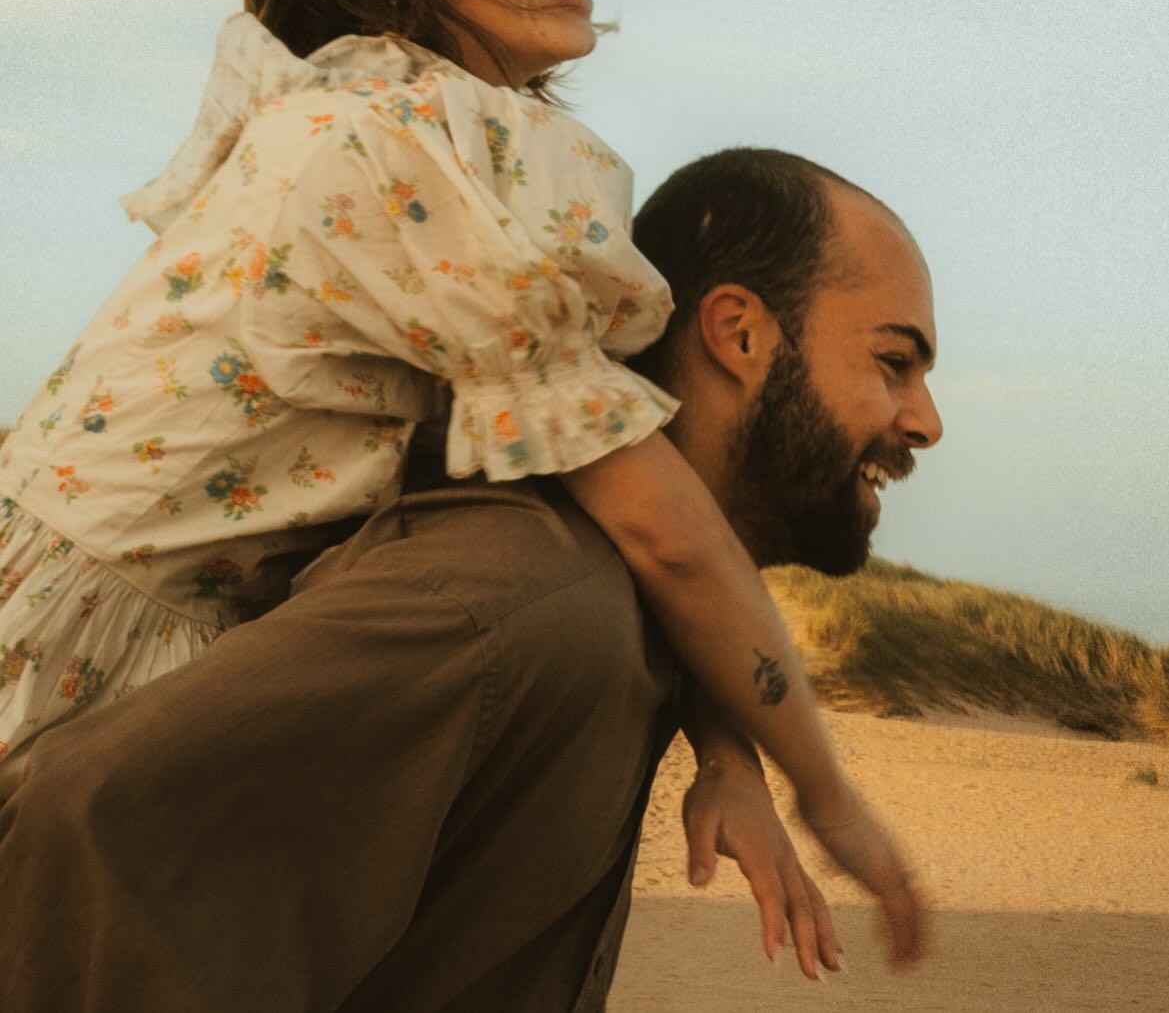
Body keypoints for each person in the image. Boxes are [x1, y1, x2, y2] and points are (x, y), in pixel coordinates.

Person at [0, 0, 908, 910]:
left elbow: (618, 492)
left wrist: (725, 748)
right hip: (51, 648)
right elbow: (661, 528)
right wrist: (827, 791)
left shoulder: (450, 147)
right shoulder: (382, 148)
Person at [0, 147, 942, 1013]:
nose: (926, 420)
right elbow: (87, 812)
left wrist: (728, 748)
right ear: (738, 333)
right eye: (893, 363)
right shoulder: (512, 606)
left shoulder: (618, 606)